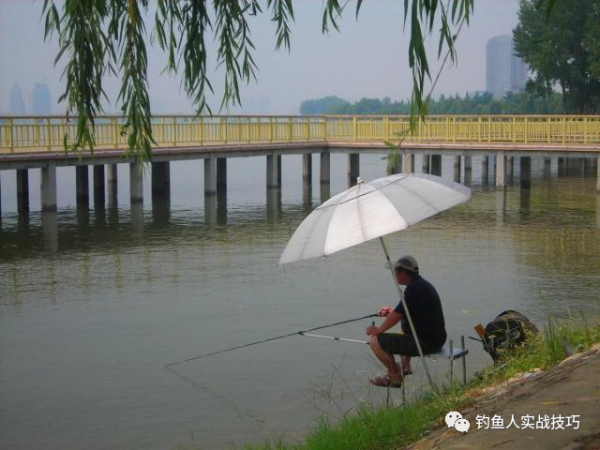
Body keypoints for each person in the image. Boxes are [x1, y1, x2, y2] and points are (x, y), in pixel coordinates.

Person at [366, 256, 447, 388]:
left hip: (425, 343)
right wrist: (391, 311)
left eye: (395, 272)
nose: (394, 275)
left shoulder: (413, 289)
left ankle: (394, 377)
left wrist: (378, 330)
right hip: (436, 340)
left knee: (375, 341)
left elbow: (398, 314)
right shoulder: (420, 285)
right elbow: (404, 311)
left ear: (403, 273)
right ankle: (405, 367)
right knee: (402, 331)